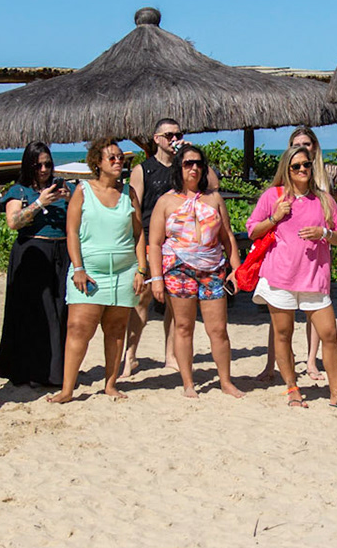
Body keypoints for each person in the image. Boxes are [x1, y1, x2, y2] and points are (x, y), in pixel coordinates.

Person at [249, 143, 337, 408]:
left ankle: (336, 392)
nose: (303, 170)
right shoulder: (272, 196)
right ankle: (292, 388)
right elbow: (252, 231)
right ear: (287, 169)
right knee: (283, 333)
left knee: (329, 334)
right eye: (296, 166)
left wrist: (325, 234)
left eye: (307, 164)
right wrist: (274, 217)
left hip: (315, 277)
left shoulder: (323, 199)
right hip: (280, 276)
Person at [49, 139, 143, 403]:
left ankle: (110, 384)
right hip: (89, 272)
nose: (117, 161)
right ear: (97, 163)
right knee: (78, 328)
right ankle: (67, 390)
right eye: (111, 158)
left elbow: (138, 233)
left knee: (116, 330)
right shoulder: (83, 190)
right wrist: (78, 267)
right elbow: (72, 232)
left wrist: (141, 269)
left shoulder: (129, 193)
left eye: (119, 158)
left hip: (124, 271)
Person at [125, 117, 220, 375]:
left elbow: (213, 186)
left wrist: (189, 152)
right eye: (169, 135)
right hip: (150, 239)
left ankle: (170, 355)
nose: (174, 139)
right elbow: (135, 208)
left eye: (178, 134)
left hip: (182, 246)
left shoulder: (187, 167)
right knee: (141, 299)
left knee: (175, 304)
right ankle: (130, 355)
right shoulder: (143, 170)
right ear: (156, 139)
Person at [147, 145, 243, 399]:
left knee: (218, 329)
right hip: (178, 269)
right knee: (183, 326)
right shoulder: (166, 201)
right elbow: (154, 242)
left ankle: (225, 381)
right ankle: (188, 383)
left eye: (199, 163)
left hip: (212, 268)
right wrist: (156, 278)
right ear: (179, 167)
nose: (194, 168)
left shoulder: (214, 199)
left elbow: (227, 236)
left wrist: (236, 269)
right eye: (188, 163)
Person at [0, 142, 71, 390]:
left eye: (48, 164)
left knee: (61, 312)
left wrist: (72, 200)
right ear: (29, 165)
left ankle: (55, 372)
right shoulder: (19, 190)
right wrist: (39, 203)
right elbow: (13, 222)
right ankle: (30, 371)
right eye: (38, 165)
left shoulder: (63, 188)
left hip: (61, 252)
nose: (44, 169)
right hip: (32, 252)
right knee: (36, 314)